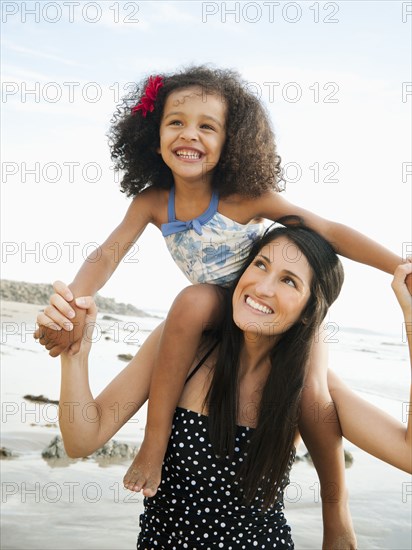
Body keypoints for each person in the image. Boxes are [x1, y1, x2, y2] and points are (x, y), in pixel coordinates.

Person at [34, 66, 410, 543]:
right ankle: (154, 443)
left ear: (231, 142)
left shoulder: (245, 197)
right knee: (191, 303)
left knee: (311, 394)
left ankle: (338, 511)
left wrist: (403, 269)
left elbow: (330, 232)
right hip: (217, 306)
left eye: (207, 125)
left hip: (276, 323)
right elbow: (105, 256)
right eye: (176, 122)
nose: (189, 134)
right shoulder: (154, 202)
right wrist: (73, 312)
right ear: (153, 135)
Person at [53, 226, 412, 549]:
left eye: (289, 281)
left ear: (308, 312)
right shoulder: (185, 348)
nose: (263, 287)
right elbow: (82, 438)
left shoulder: (305, 388)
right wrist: (76, 355)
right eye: (260, 265)